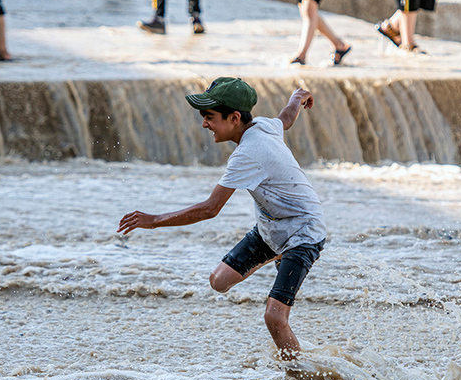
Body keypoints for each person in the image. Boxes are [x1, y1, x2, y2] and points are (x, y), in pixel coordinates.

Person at [118, 77, 327, 362]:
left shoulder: (248, 153)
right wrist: (298, 96)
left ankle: (300, 375)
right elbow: (285, 118)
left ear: (235, 117)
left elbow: (210, 209)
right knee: (219, 281)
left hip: (303, 233)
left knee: (274, 318)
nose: (204, 124)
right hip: (272, 229)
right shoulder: (263, 125)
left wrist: (152, 220)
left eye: (209, 117)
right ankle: (274, 254)